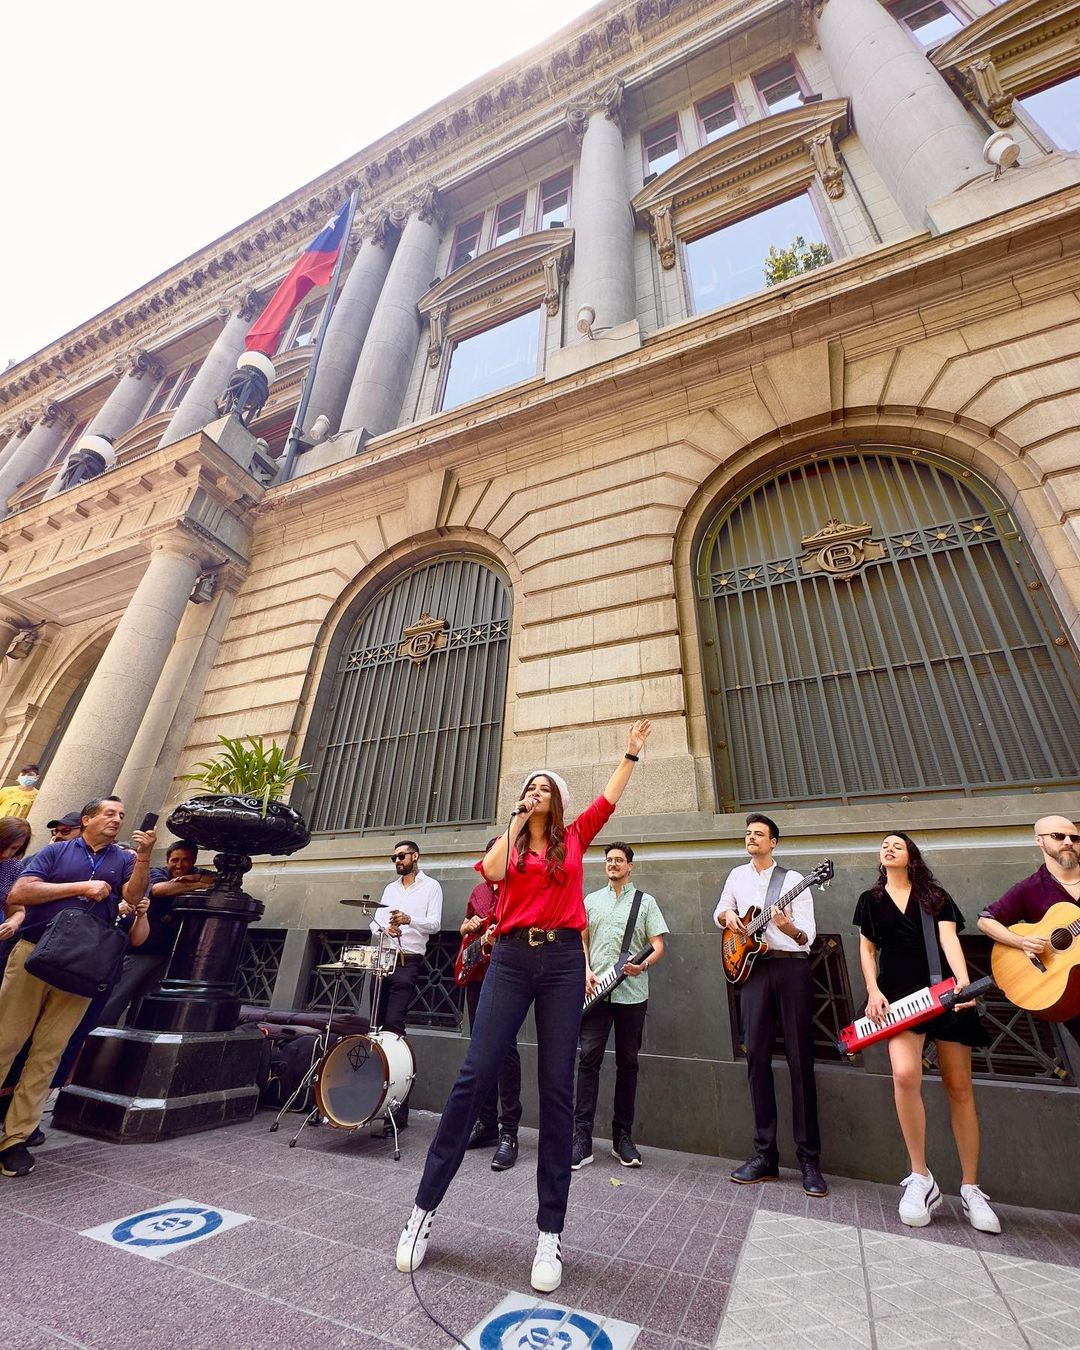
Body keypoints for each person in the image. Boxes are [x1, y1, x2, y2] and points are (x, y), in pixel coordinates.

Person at [396, 719, 652, 1295]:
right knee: (475, 1074)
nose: (535, 792)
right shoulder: (508, 844)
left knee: (557, 1089)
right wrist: (514, 821)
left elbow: (608, 798)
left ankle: (549, 1231)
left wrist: (630, 755)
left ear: (557, 800)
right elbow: (489, 873)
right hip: (509, 959)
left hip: (561, 962)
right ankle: (422, 1211)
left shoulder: (578, 836)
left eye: (544, 788)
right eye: (529, 787)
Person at [0, 797, 154, 1177]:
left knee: (48, 1054)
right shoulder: (56, 853)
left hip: (84, 965)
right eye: (108, 813)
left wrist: (145, 857)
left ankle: (15, 1138)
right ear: (86, 819)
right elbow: (19, 894)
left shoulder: (124, 859)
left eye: (121, 814)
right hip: (34, 954)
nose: (117, 819)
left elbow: (133, 900)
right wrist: (81, 887)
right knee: (5, 1042)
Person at [855, 832, 1000, 1233]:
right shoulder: (871, 900)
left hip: (945, 993)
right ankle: (921, 1177)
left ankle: (971, 1188)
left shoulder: (934, 895)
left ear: (910, 856)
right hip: (898, 999)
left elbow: (949, 939)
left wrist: (965, 986)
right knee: (904, 1076)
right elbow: (867, 950)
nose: (888, 849)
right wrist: (872, 990)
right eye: (884, 845)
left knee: (959, 1087)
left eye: (897, 845)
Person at [714, 813, 826, 1198]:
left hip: (790, 969)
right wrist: (729, 916)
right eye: (748, 833)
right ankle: (765, 1155)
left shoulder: (795, 881)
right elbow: (721, 913)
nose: (751, 838)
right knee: (756, 1058)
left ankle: (809, 1159)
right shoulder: (736, 876)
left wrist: (787, 927)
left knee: (800, 1060)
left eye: (759, 834)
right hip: (752, 971)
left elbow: (806, 937)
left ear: (773, 842)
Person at [573, 841, 667, 1170]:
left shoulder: (645, 903)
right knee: (588, 1064)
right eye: (609, 860)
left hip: (632, 994)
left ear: (630, 866)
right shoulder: (591, 900)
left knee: (628, 1064)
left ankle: (622, 1138)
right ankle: (581, 1139)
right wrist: (585, 969)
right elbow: (580, 940)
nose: (613, 864)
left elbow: (658, 945)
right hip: (596, 993)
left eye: (619, 860)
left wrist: (643, 966)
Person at [978, 815, 1080, 1051]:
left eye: (1074, 837)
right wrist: (1021, 941)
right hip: (1065, 989)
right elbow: (986, 921)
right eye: (1058, 836)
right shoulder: (1030, 888)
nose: (1068, 842)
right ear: (1039, 840)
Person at [97, 838, 213, 1028]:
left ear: (193, 862)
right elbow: (159, 890)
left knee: (145, 1003)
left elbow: (213, 879)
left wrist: (193, 879)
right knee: (116, 999)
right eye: (174, 860)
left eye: (186, 860)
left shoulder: (196, 873)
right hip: (141, 949)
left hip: (168, 952)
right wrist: (198, 884)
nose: (179, 865)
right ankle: (94, 1037)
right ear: (167, 860)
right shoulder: (157, 872)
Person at [369, 840, 443, 1133]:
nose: (397, 860)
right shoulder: (390, 889)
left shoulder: (431, 887)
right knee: (375, 1027)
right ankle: (374, 1100)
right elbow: (373, 921)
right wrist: (383, 928)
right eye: (394, 857)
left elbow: (435, 925)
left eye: (401, 856)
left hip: (409, 960)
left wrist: (408, 919)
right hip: (383, 959)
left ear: (415, 856)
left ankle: (398, 1111)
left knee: (395, 1029)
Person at [461, 838, 522, 1171]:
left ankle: (509, 1131)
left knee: (507, 1051)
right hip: (478, 977)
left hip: (510, 978)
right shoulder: (478, 892)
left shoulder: (522, 887)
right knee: (480, 1049)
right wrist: (468, 928)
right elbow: (465, 929)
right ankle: (485, 1124)